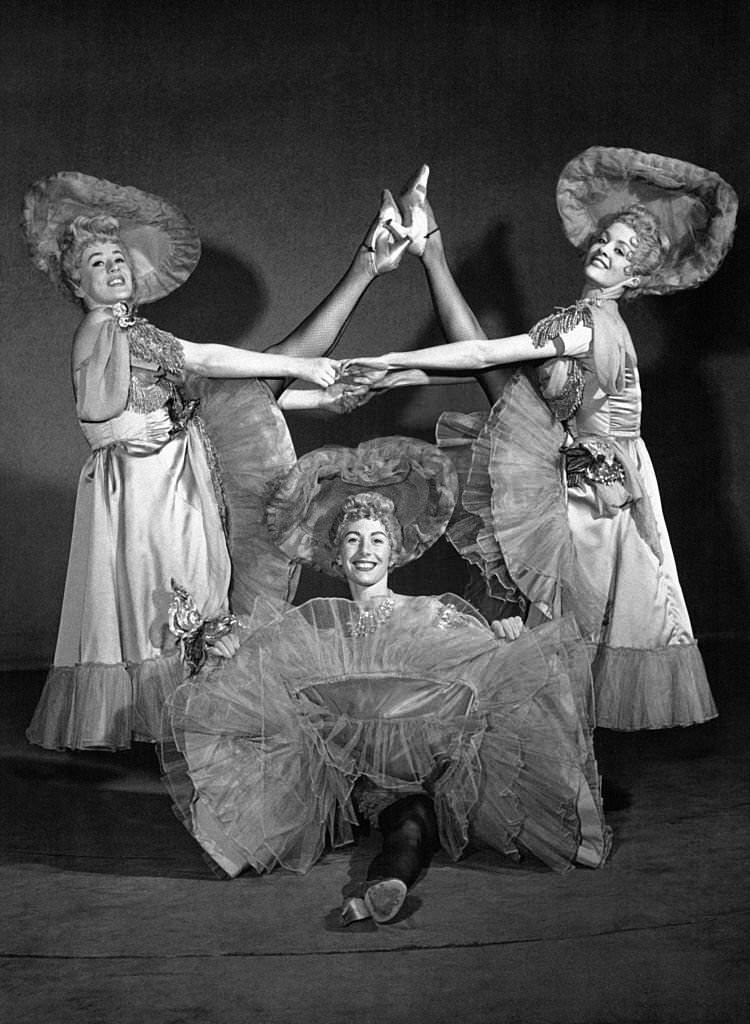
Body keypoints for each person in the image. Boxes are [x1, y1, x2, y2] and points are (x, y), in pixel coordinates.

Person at [21, 171, 418, 751]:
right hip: (146, 484)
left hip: (174, 470)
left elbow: (201, 394)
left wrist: (315, 393)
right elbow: (204, 359)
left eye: (118, 259)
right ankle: (365, 268)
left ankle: (365, 268)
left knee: (197, 584)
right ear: (76, 283)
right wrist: (301, 372)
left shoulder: (130, 331)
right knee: (168, 597)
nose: (113, 269)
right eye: (97, 263)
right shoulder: (106, 329)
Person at [347, 149, 738, 731]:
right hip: (576, 475)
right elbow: (491, 370)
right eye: (607, 239)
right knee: (550, 646)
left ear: (635, 278)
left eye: (623, 251)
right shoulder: (586, 319)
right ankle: (433, 248)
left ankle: (564, 786)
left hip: (592, 500)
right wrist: (402, 373)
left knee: (560, 647)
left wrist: (390, 360)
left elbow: (483, 354)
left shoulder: (585, 325)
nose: (606, 249)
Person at [161, 437, 610, 927]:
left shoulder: (431, 614)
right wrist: (226, 653)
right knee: (390, 816)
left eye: (376, 539)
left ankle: (381, 889)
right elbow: (258, 673)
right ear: (338, 552)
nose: (365, 550)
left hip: (422, 779)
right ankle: (368, 877)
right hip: (339, 785)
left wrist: (505, 638)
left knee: (414, 825)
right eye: (353, 539)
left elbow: (483, 666)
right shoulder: (312, 627)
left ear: (393, 551)